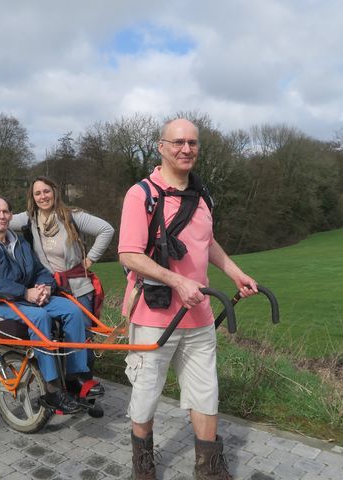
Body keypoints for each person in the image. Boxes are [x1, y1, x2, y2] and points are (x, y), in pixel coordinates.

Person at [119, 119, 258, 480]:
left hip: (198, 315)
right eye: (178, 142)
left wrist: (235, 272)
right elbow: (129, 255)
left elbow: (207, 243)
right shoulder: (141, 194)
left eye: (192, 143)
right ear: (161, 146)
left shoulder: (202, 194)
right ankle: (143, 464)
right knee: (146, 394)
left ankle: (209, 468)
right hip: (153, 314)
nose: (186, 149)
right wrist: (176, 280)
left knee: (205, 392)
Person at [0, 197, 102, 414]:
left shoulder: (18, 242)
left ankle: (75, 379)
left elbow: (39, 270)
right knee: (39, 318)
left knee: (72, 311)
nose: (1, 217)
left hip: (25, 299)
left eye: (6, 212)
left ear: (10, 215)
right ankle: (52, 390)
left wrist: (45, 287)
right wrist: (24, 292)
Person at [10, 176, 114, 370]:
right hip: (48, 288)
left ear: (55, 192)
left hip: (76, 287)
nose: (43, 197)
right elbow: (2, 218)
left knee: (82, 338)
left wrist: (91, 258)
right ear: (33, 197)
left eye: (46, 191)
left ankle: (83, 384)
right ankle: (60, 384)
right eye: (38, 193)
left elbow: (106, 229)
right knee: (53, 337)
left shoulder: (72, 216)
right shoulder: (29, 219)